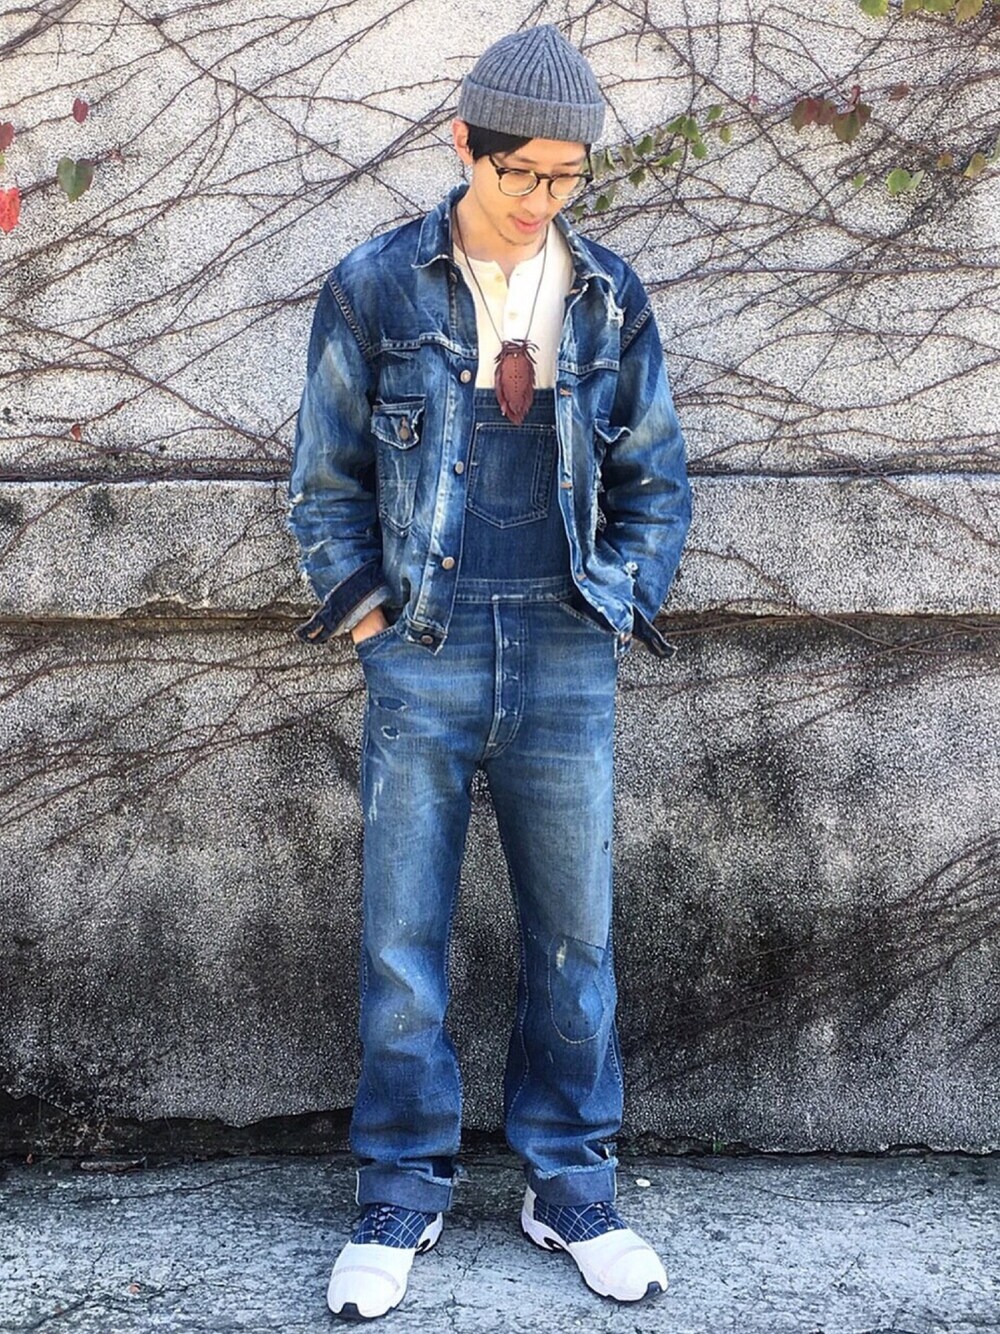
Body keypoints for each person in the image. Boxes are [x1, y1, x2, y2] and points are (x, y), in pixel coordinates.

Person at [287, 23, 691, 1322]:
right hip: (424, 646)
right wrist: (371, 624)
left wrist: (610, 605)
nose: (542, 201)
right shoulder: (375, 289)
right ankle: (400, 1188)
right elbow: (324, 482)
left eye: (568, 178)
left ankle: (571, 1183)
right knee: (403, 937)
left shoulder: (609, 296)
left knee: (576, 935)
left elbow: (657, 483)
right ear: (464, 143)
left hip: (567, 651)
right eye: (522, 174)